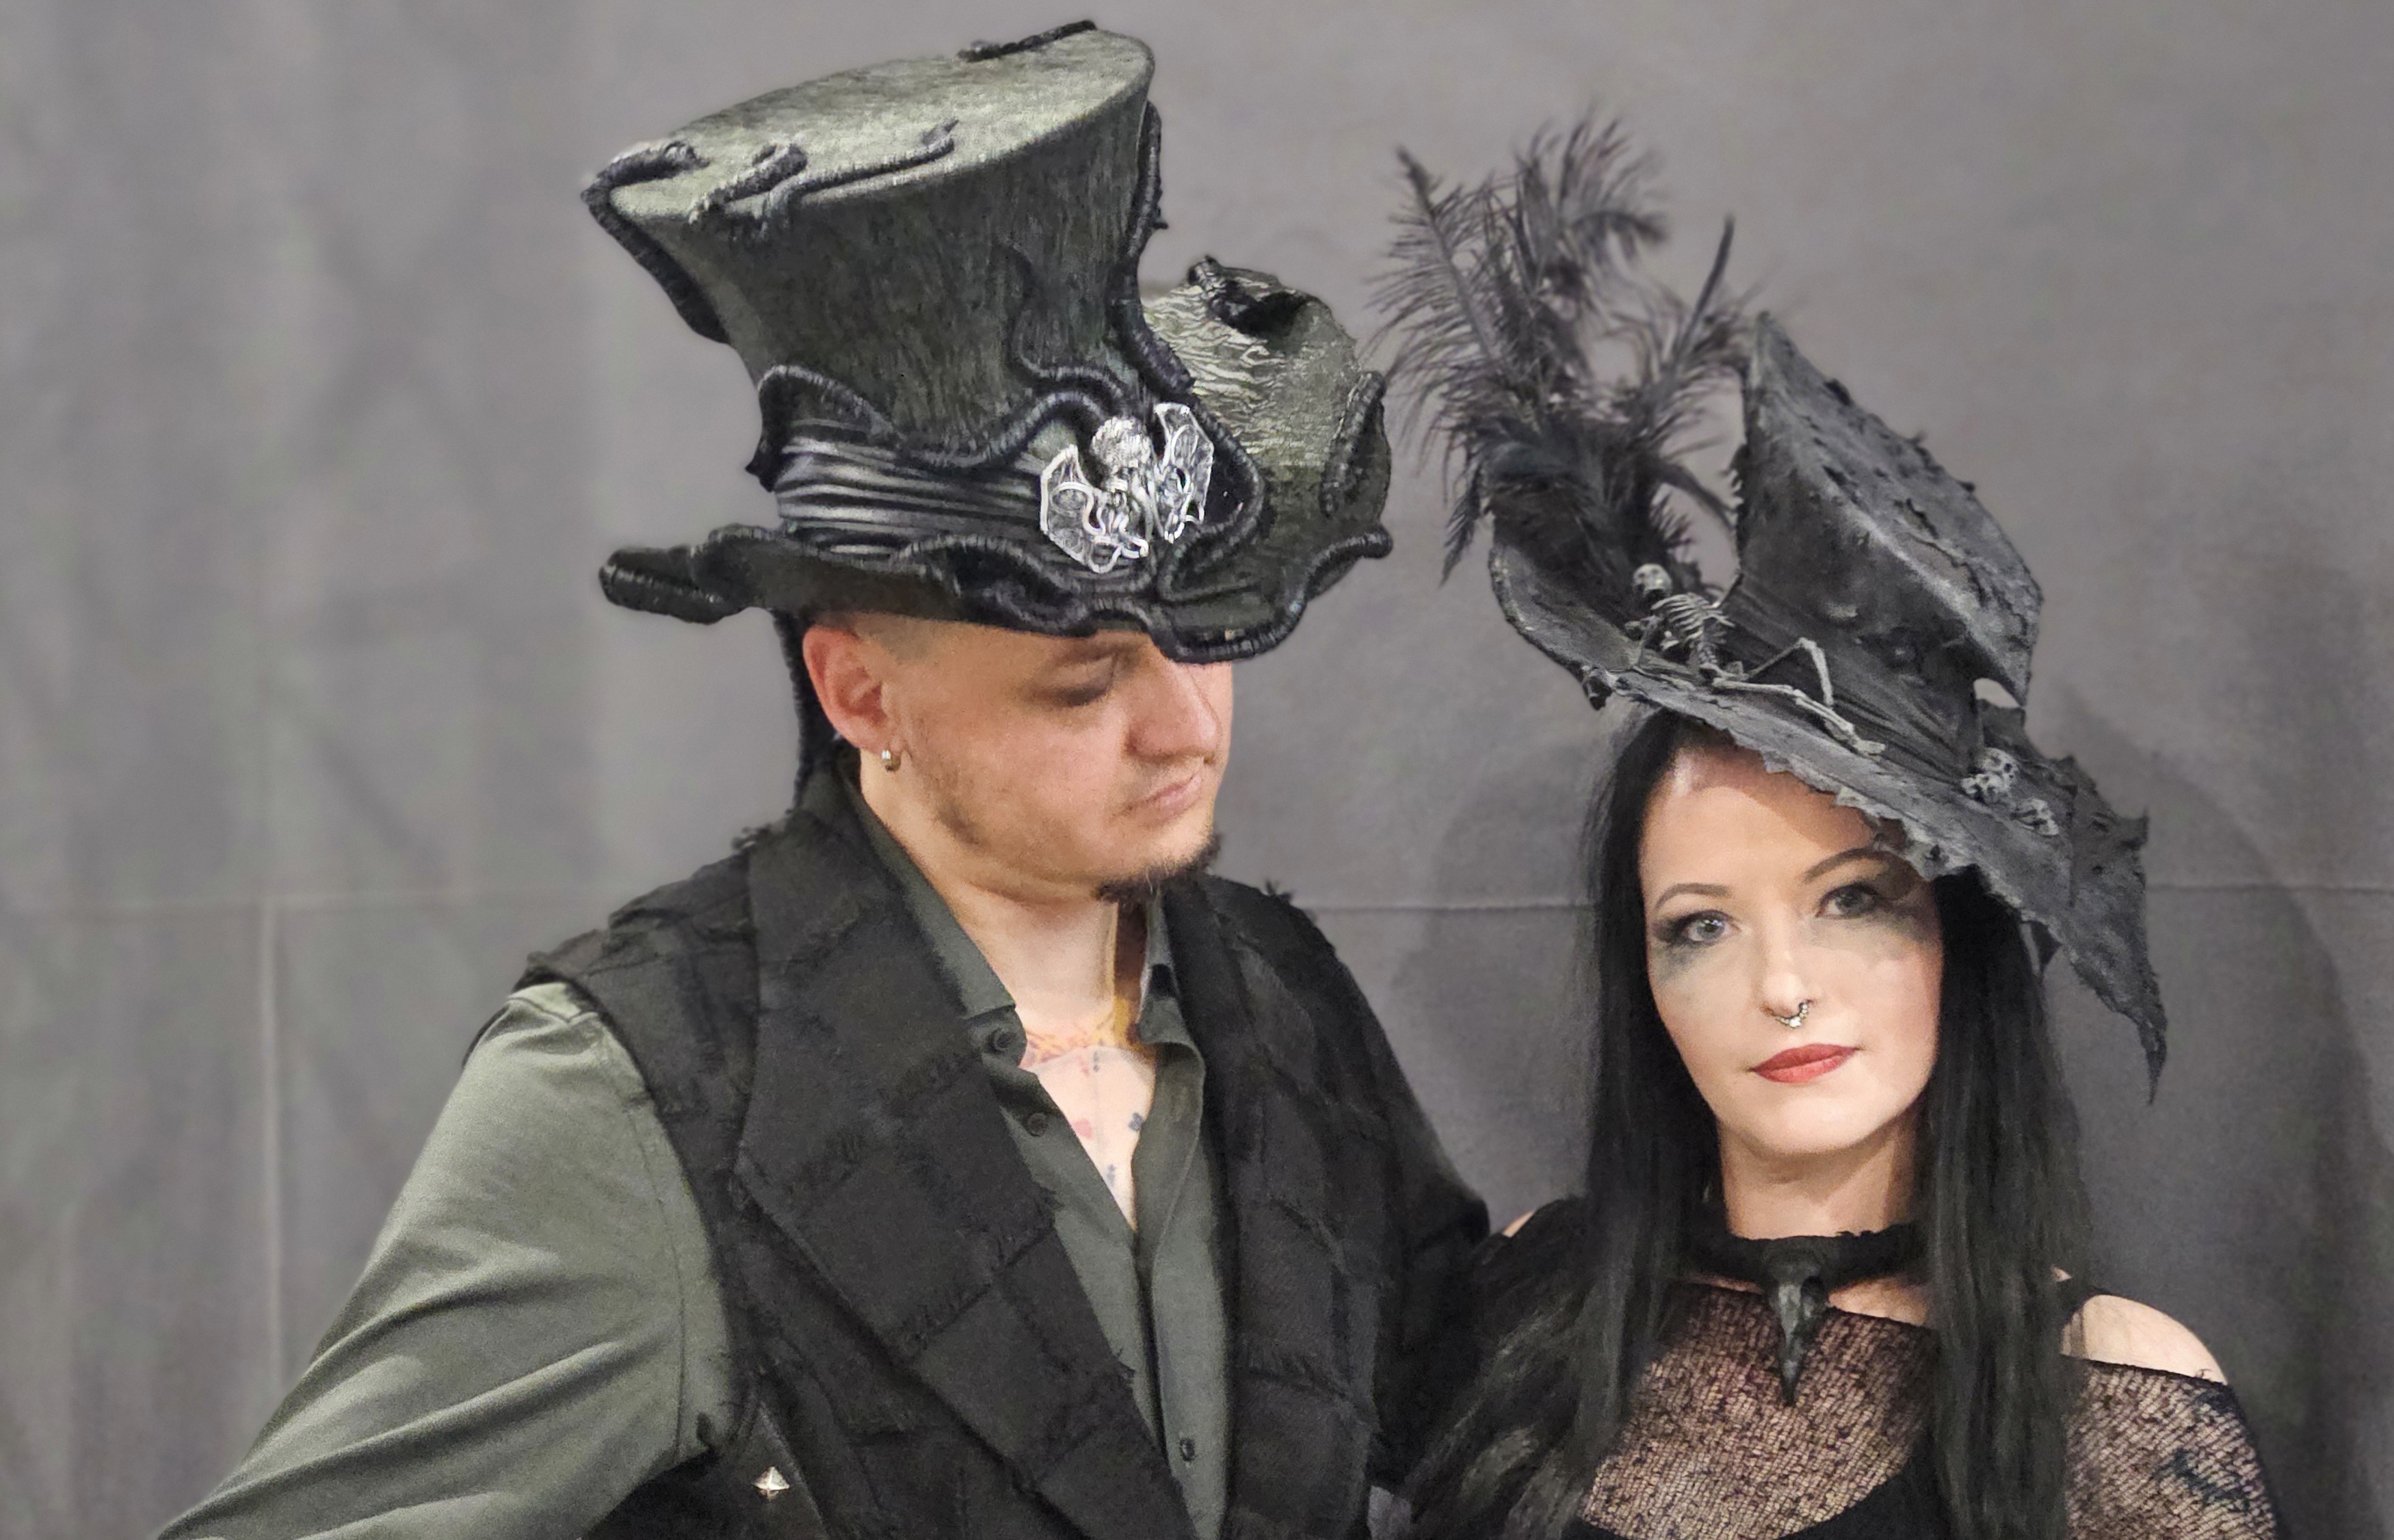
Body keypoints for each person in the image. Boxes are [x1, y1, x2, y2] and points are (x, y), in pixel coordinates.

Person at [161, 23, 1482, 1540]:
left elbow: (1474, 1389)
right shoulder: (648, 1092)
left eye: (1210, 642)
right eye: (1084, 682)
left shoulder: (1282, 997)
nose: (1186, 730)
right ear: (862, 693)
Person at [1376, 128, 2281, 1539]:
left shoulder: (2111, 1404)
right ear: (1642, 980)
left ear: (1954, 933)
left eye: (1852, 898)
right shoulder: (1528, 1307)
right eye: (1698, 927)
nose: (1781, 986)